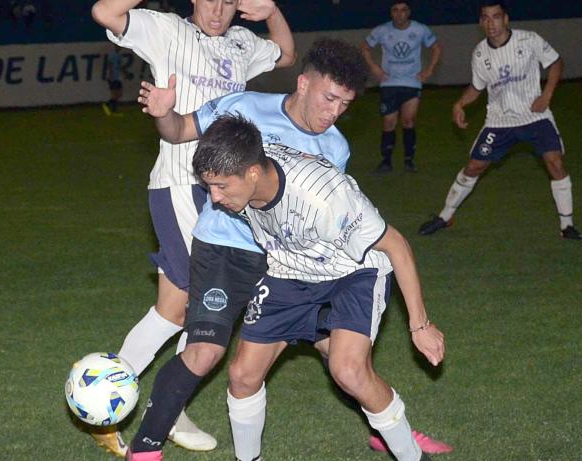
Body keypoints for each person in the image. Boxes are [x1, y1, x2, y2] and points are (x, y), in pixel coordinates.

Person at [128, 39, 453, 460]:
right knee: (214, 354)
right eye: (329, 97)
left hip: (293, 257)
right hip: (229, 248)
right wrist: (164, 114)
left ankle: (392, 428)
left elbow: (352, 228)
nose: (334, 111)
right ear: (303, 83)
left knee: (343, 361)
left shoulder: (332, 155)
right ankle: (146, 447)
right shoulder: (244, 108)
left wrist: (419, 322)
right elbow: (179, 133)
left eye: (344, 103)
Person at [90, 0, 296, 457]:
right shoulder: (167, 30)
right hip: (181, 186)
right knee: (192, 304)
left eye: (229, 1)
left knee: (175, 307)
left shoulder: (244, 42)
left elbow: (287, 56)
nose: (218, 12)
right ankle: (112, 397)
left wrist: (271, 13)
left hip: (226, 195)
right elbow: (105, 13)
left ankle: (147, 401)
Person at [191, 115, 446, 461]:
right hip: (290, 269)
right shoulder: (247, 176)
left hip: (353, 272)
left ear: (252, 172)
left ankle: (413, 457)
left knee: (349, 371)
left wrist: (420, 325)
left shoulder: (324, 197)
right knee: (242, 375)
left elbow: (397, 246)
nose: (215, 197)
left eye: (221, 186)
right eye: (209, 187)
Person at [417, 0, 582, 240]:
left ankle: (567, 226)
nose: (491, 23)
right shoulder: (479, 53)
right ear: (480, 22)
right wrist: (459, 103)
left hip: (535, 116)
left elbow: (556, 63)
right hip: (500, 122)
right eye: (485, 18)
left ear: (506, 19)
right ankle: (445, 216)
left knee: (555, 162)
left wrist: (547, 95)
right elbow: (477, 87)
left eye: (496, 17)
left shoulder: (529, 40)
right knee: (474, 166)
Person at [362, 0, 442, 174]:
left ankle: (409, 160)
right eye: (395, 10)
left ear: (409, 12)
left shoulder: (419, 29)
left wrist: (429, 70)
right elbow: (365, 47)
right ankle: (386, 161)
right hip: (389, 83)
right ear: (391, 13)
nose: (399, 14)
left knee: (408, 121)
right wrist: (375, 68)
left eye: (403, 10)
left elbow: (436, 48)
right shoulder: (382, 30)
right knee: (389, 122)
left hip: (411, 83)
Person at [102, 43, 123, 116]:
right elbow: (110, 66)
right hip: (114, 77)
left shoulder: (119, 55)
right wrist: (111, 76)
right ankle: (111, 108)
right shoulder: (113, 55)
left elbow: (120, 66)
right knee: (115, 94)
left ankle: (111, 107)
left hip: (117, 77)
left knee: (118, 94)